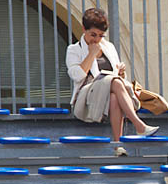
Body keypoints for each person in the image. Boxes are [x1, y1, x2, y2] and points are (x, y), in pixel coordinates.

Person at [66, 8, 158, 155]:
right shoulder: (73, 49)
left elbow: (118, 80)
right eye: (93, 35)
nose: (96, 40)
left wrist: (121, 73)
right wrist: (91, 55)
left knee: (115, 95)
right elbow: (77, 76)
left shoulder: (109, 47)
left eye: (101, 36)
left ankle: (118, 145)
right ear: (84, 29)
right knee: (112, 81)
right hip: (86, 101)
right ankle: (138, 125)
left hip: (108, 97)